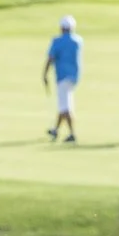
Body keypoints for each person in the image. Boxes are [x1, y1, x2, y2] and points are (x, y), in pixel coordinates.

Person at [43, 14, 83, 143]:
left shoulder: (57, 41)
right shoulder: (78, 41)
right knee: (64, 104)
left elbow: (51, 57)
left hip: (62, 76)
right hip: (74, 76)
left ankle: (72, 134)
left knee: (65, 107)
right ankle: (55, 130)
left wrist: (44, 74)